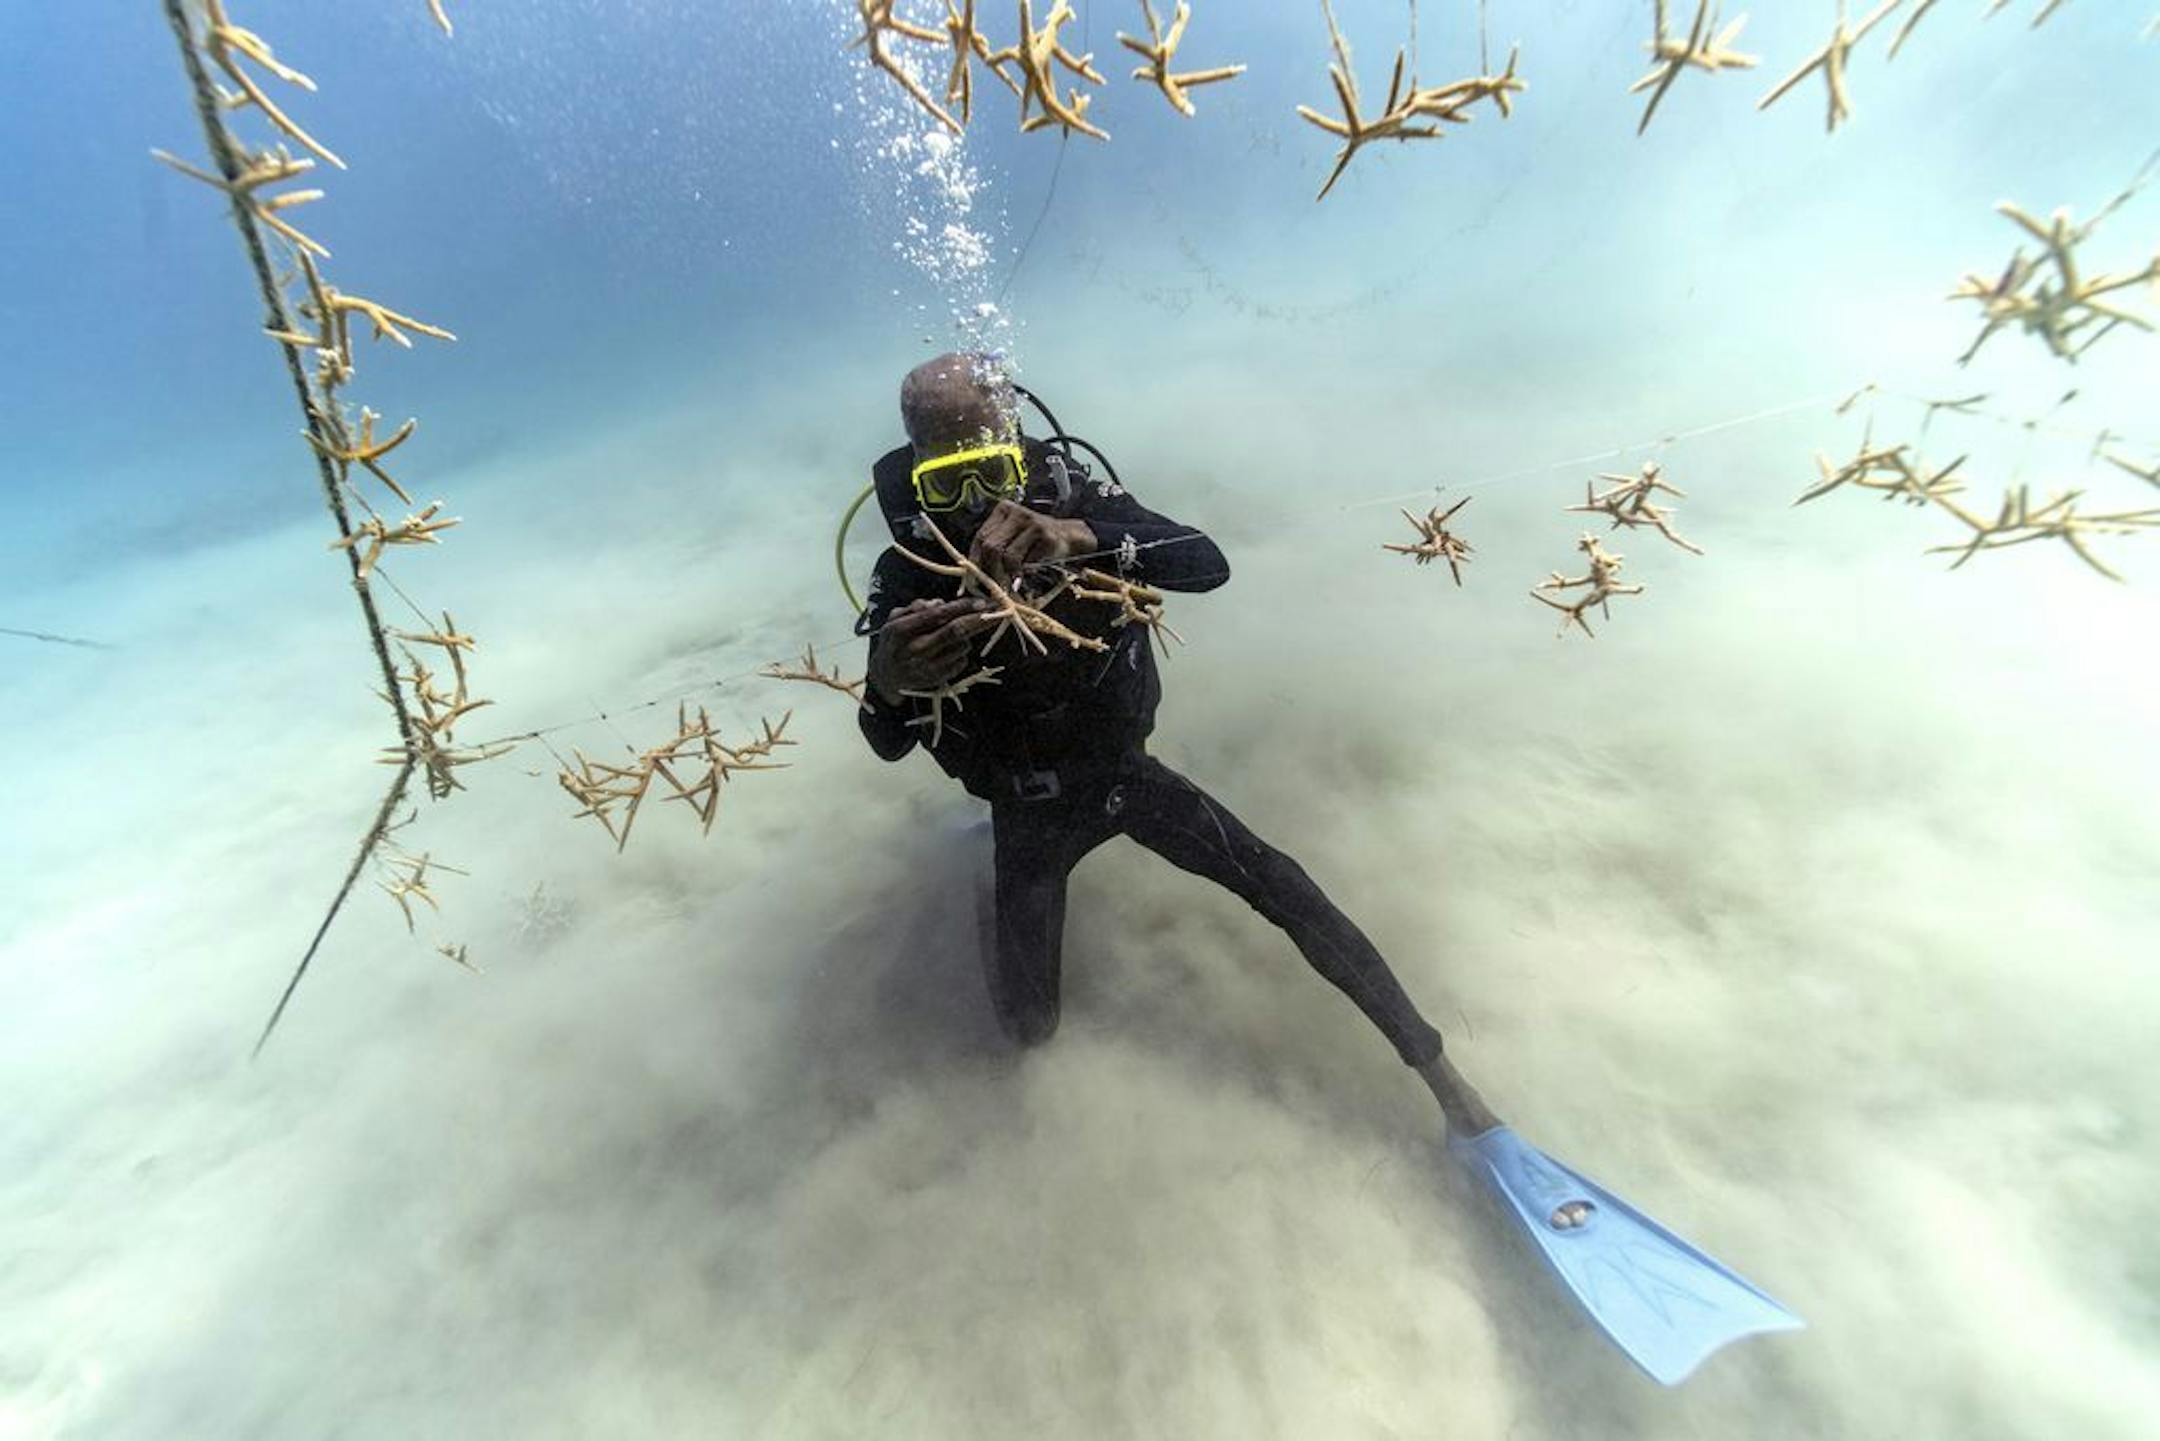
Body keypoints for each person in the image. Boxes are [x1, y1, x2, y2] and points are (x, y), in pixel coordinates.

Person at [854, 352, 1495, 1132]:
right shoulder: (908, 575)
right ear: (915, 479)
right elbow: (885, 741)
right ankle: (988, 897)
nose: (972, 507)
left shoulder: (1077, 503)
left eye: (989, 472)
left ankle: (1441, 1074)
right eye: (944, 484)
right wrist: (888, 680)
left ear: (1017, 449)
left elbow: (1206, 563)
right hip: (1026, 813)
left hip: (1124, 772)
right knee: (1031, 1028)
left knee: (1284, 887)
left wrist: (1077, 533)